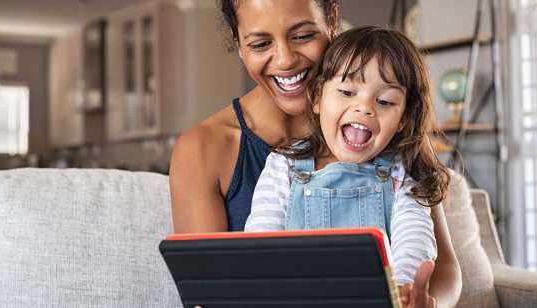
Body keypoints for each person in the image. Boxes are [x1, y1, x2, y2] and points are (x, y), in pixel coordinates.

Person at [169, 1, 462, 307]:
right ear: (238, 43)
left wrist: (414, 300)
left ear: (332, 20)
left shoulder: (388, 137)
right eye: (260, 43)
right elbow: (207, 292)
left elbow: (441, 268)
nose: (284, 60)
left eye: (302, 36)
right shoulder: (203, 149)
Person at [244, 26, 448, 306]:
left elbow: (415, 236)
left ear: (403, 119)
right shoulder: (284, 166)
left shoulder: (402, 173)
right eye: (346, 91)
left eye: (385, 101)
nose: (364, 108)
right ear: (317, 99)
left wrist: (402, 288)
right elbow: (259, 241)